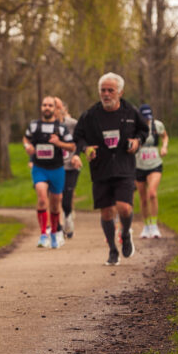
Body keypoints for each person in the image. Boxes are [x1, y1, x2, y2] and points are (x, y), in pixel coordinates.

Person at [72, 72, 149, 266]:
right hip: (101, 168)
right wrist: (85, 148)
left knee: (124, 207)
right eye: (103, 90)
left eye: (110, 90)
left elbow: (144, 130)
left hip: (124, 166)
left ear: (120, 92)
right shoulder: (90, 115)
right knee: (106, 213)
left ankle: (125, 233)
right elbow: (78, 136)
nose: (106, 94)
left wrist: (137, 141)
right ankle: (113, 250)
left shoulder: (130, 112)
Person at [23, 96, 76, 249]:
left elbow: (72, 146)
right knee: (41, 198)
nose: (47, 108)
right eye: (44, 105)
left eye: (50, 105)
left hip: (57, 169)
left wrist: (58, 143)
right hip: (39, 168)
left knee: (55, 202)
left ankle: (54, 232)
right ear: (41, 107)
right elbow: (26, 138)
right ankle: (43, 234)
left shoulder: (60, 128)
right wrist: (28, 147)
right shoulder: (34, 126)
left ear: (55, 109)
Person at [135, 104, 168, 239]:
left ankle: (154, 225)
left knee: (152, 194)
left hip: (154, 164)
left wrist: (164, 147)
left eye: (149, 117)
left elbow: (165, 136)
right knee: (143, 199)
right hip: (138, 165)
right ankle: (146, 225)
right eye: (145, 118)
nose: (147, 120)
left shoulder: (157, 125)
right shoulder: (135, 126)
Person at [55, 97, 83, 238]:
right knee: (55, 197)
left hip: (70, 166)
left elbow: (82, 139)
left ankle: (68, 216)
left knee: (67, 198)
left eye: (58, 107)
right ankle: (57, 227)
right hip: (53, 166)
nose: (56, 110)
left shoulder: (72, 124)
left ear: (64, 109)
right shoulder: (45, 125)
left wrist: (77, 155)